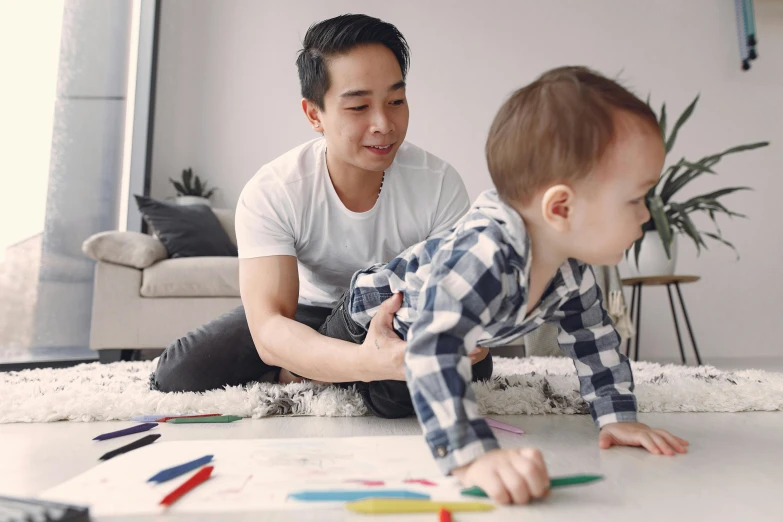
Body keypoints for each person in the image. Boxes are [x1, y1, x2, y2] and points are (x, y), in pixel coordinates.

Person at [316, 66, 691, 504]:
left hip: (423, 340)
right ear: (562, 207)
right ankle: (287, 367)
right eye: (635, 199)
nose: (647, 216)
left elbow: (595, 340)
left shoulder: (571, 272)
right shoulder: (485, 257)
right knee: (322, 377)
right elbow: (435, 350)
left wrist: (616, 416)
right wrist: (472, 457)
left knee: (396, 400)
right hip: (369, 314)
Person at [150, 14, 491, 398]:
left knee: (467, 367)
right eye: (359, 107)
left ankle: (307, 372)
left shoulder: (439, 183)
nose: (384, 123)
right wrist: (372, 363)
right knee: (180, 374)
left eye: (396, 101)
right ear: (315, 114)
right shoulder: (275, 189)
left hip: (399, 311)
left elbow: (460, 301)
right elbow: (270, 329)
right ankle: (327, 369)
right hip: (309, 314)